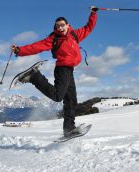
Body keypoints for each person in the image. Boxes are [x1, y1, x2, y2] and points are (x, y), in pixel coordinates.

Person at [11, 7, 98, 136]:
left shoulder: (75, 35)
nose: (60, 28)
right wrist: (20, 50)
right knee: (58, 96)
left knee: (71, 100)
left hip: (70, 70)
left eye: (62, 25)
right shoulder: (54, 39)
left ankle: (69, 129)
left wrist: (93, 13)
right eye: (57, 26)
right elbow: (37, 46)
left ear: (68, 25)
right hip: (62, 69)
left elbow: (89, 28)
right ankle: (34, 76)